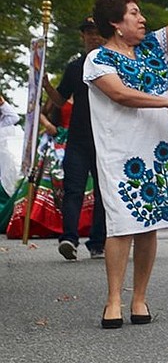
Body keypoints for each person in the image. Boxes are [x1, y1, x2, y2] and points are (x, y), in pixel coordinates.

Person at [83, 0, 168, 328]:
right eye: (134, 13)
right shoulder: (98, 60)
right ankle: (113, 298)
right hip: (121, 152)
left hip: (157, 150)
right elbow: (121, 95)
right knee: (121, 224)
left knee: (150, 225)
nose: (142, 18)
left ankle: (140, 298)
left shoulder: (153, 47)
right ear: (116, 23)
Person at [50, 16, 107, 261]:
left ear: (104, 35)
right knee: (72, 190)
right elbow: (61, 99)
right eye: (88, 32)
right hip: (78, 139)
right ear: (82, 36)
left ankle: (98, 242)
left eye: (96, 32)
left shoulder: (112, 63)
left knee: (103, 193)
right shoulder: (75, 67)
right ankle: (69, 239)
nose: (93, 36)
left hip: (106, 138)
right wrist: (43, 84)